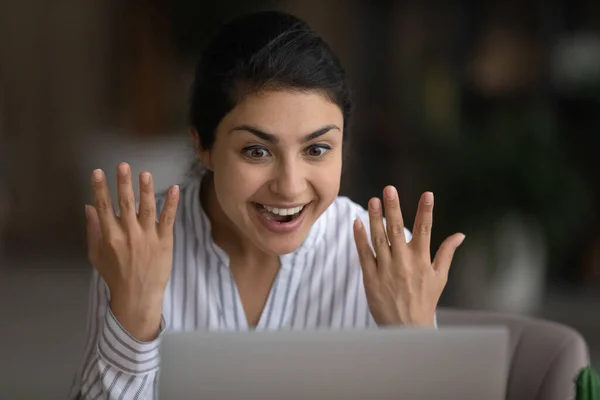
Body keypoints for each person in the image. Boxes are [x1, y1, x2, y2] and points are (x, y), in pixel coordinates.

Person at [68, 10, 465, 400]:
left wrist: (415, 343)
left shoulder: (387, 263)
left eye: (317, 149)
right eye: (257, 151)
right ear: (203, 146)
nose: (290, 187)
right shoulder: (136, 247)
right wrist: (133, 322)